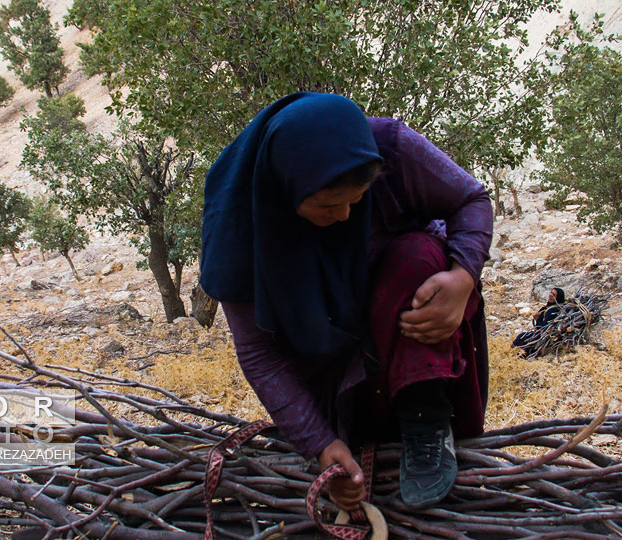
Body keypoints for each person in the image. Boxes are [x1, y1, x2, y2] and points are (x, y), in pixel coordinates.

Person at [199, 92, 492, 511]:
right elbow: (259, 354)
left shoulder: (387, 146)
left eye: (358, 200)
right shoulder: (237, 227)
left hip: (414, 345)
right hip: (330, 371)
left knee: (416, 255)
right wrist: (319, 443)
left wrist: (463, 276)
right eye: (327, 205)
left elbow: (472, 199)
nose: (345, 217)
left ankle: (427, 425)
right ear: (286, 189)